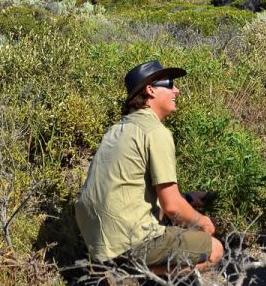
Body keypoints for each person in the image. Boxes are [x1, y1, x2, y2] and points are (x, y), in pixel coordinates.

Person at [75, 60, 223, 273]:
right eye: (170, 84)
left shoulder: (118, 129)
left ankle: (126, 264)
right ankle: (130, 270)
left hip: (96, 240)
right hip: (127, 242)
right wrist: (202, 221)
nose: (177, 90)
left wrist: (188, 199)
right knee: (215, 249)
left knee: (173, 220)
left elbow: (136, 193)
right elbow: (172, 207)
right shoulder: (155, 132)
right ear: (150, 89)